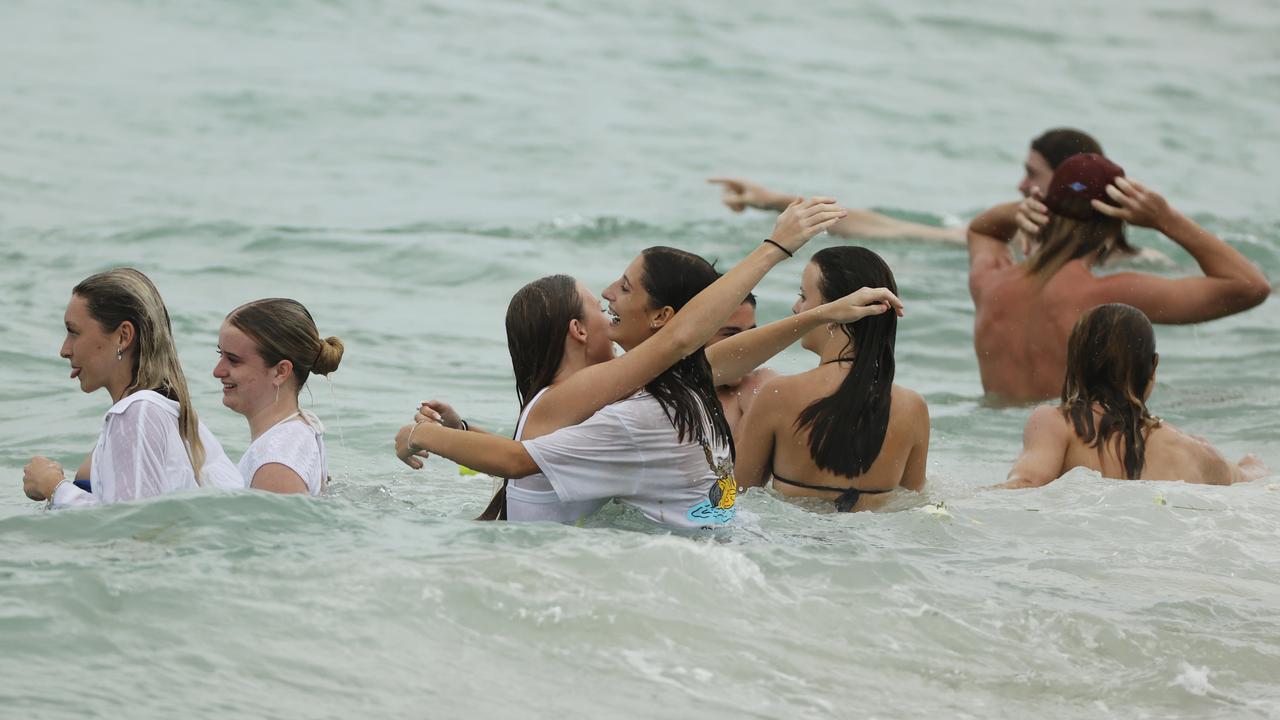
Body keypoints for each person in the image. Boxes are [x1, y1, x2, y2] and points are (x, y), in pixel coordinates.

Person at [395, 199, 903, 528]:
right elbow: (524, 459)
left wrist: (825, 310)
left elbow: (708, 350)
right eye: (600, 301)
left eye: (622, 287)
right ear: (576, 331)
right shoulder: (632, 405)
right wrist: (776, 251)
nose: (611, 298)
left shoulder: (640, 400)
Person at [967, 153, 1270, 401]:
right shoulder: (1110, 297)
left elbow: (981, 230)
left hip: (996, 446)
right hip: (1071, 453)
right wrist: (1167, 219)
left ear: (1044, 208)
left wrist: (1019, 210)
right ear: (1116, 225)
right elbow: (1250, 286)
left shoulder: (990, 282)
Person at [22, 268, 242, 507]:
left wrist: (54, 488)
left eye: (74, 332)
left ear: (123, 336)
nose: (64, 350)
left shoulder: (137, 412)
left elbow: (134, 528)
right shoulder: (169, 413)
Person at [734, 247, 929, 511]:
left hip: (792, 542)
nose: (796, 307)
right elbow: (913, 505)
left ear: (836, 311)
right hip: (875, 547)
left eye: (804, 296)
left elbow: (735, 496)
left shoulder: (778, 394)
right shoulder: (912, 407)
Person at [1001, 304, 1269, 487]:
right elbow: (1255, 482)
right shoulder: (1193, 450)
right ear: (1153, 366)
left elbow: (1027, 484)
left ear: (1074, 363)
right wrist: (1252, 463)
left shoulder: (1057, 423)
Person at [709, 128, 1105, 242]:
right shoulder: (1008, 235)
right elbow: (887, 226)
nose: (1021, 184)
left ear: (1067, 181)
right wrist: (772, 200)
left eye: (1033, 173)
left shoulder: (1123, 258)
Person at [214, 298, 344, 495]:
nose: (218, 371)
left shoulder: (275, 463)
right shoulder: (297, 432)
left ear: (280, 371)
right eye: (220, 354)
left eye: (233, 360)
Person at [707, 293, 779, 438]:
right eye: (731, 335)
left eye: (751, 333)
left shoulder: (761, 384)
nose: (747, 346)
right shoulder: (662, 394)